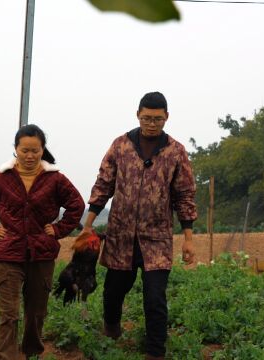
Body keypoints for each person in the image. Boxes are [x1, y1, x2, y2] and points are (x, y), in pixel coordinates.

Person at [81, 91, 198, 360]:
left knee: (155, 296)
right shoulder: (120, 146)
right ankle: (111, 330)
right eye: (147, 118)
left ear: (166, 117)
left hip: (156, 237)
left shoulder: (176, 151)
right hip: (121, 235)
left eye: (158, 119)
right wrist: (88, 225)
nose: (152, 123)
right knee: (113, 291)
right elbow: (103, 185)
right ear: (138, 115)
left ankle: (155, 352)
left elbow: (185, 195)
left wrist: (188, 238)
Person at [0, 124, 85, 360]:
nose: (30, 156)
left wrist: (58, 229)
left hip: (42, 253)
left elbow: (76, 205)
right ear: (16, 149)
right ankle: (4, 356)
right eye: (25, 150)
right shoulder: (0, 178)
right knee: (9, 313)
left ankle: (32, 353)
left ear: (42, 150)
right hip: (8, 253)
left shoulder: (55, 179)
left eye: (35, 150)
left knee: (36, 312)